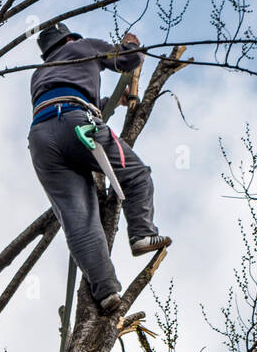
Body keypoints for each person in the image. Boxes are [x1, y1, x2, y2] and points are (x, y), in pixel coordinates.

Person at [28, 22, 170, 314]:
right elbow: (127, 60)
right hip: (77, 124)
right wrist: (131, 45)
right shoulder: (82, 47)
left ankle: (106, 292)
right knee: (136, 174)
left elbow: (66, 95)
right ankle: (142, 233)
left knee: (78, 218)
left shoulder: (40, 73)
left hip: (42, 138)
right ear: (69, 37)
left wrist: (107, 102)